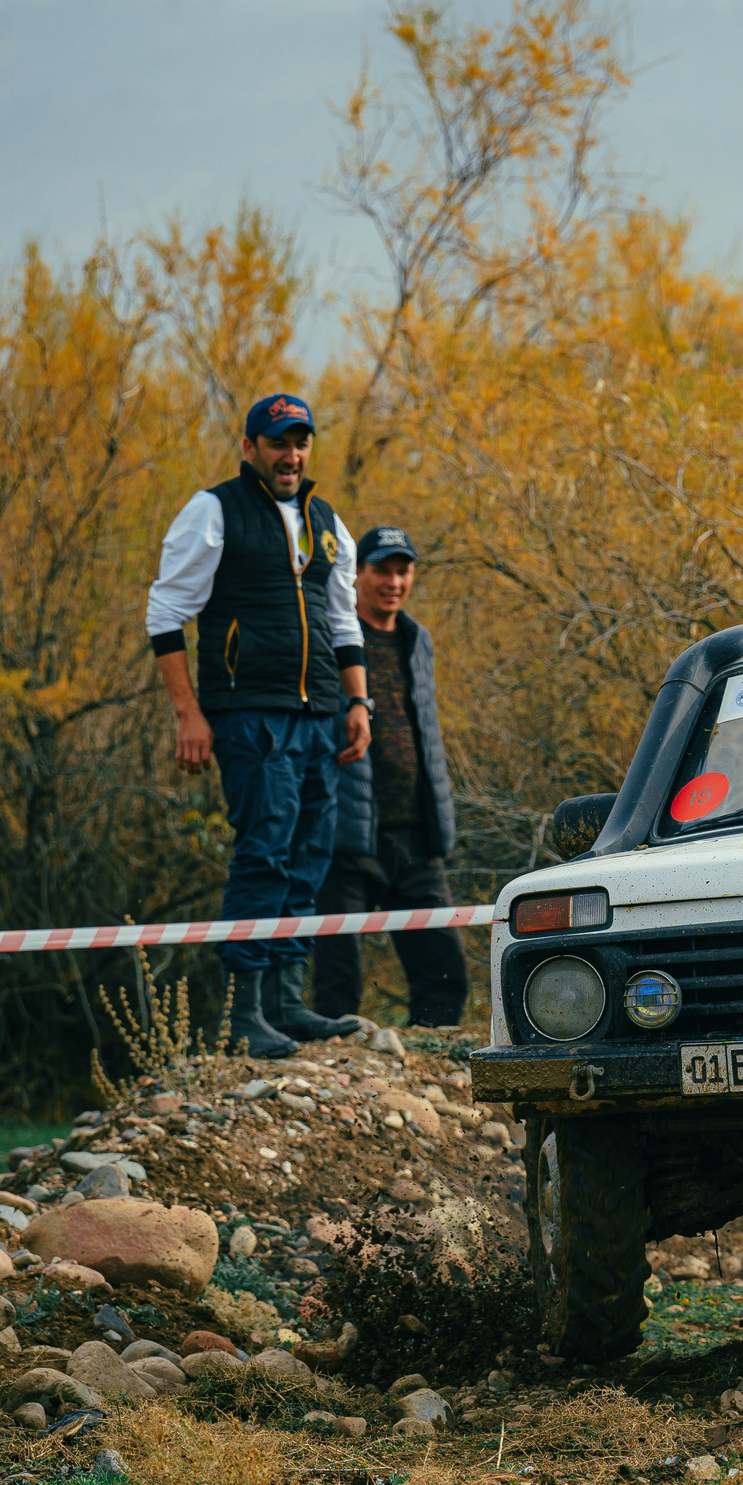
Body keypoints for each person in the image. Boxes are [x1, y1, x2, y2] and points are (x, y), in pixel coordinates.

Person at [146, 394, 372, 1060]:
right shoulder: (214, 510)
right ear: (250, 448)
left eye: (300, 442)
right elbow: (166, 613)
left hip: (320, 713)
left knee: (309, 854)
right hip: (248, 710)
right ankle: (244, 1009)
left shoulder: (326, 520)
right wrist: (189, 712)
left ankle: (286, 1000)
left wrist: (359, 704)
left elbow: (342, 622)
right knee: (263, 851)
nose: (291, 455)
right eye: (278, 442)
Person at [310, 527, 468, 1028]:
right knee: (339, 982)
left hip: (415, 834)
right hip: (347, 832)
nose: (393, 581)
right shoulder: (331, 637)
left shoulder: (417, 638)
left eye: (403, 570)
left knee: (445, 972)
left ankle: (429, 1069)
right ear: (357, 574)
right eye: (382, 569)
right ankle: (330, 1080)